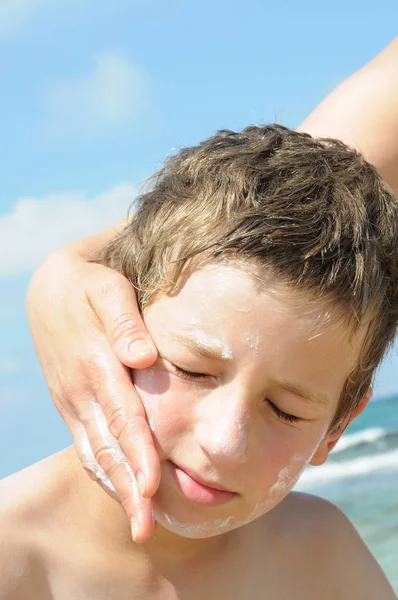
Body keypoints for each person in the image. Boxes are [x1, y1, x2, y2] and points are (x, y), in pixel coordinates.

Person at [25, 37, 398, 546]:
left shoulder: (326, 553)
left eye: (286, 410)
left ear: (337, 428)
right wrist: (63, 269)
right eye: (191, 369)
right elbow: (285, 195)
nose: (226, 442)